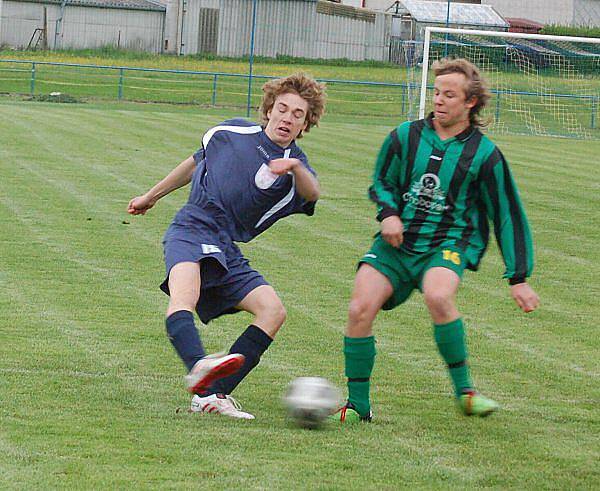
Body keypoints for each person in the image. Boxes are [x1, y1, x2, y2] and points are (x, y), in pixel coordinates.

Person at [331, 58, 540, 423]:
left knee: (439, 295)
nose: (438, 101)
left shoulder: (485, 154)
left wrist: (518, 276)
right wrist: (389, 214)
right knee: (358, 309)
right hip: (396, 245)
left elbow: (506, 212)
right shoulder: (405, 136)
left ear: (470, 102)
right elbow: (382, 181)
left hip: (447, 243)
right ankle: (357, 405)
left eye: (449, 95)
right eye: (436, 93)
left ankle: (466, 393)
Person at [128, 73, 326, 419]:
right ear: (269, 110)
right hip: (191, 226)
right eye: (283, 108)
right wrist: (151, 196)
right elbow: (195, 162)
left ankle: (211, 394)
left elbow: (312, 193)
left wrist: (293, 166)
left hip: (226, 245)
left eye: (298, 114)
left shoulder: (298, 167)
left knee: (273, 310)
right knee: (183, 296)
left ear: (306, 123)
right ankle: (197, 364)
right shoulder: (231, 132)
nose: (288, 118)